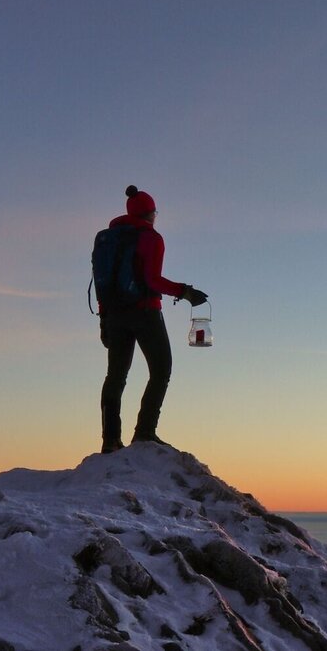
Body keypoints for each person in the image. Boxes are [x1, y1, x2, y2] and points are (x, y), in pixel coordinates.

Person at [98, 185, 208, 453]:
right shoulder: (151, 238)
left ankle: (110, 441)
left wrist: (104, 319)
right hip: (145, 312)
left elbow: (103, 283)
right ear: (149, 213)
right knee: (161, 370)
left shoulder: (109, 239)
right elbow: (152, 280)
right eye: (154, 212)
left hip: (114, 314)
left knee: (116, 376)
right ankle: (145, 433)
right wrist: (185, 292)